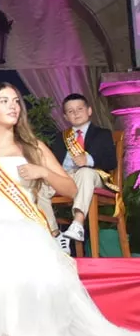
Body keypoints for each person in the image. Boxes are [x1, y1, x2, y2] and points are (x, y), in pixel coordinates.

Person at [0, 83, 140, 336]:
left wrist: (42, 170)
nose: (13, 106)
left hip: (22, 224)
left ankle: (16, 332)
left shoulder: (33, 148)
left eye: (16, 101)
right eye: (4, 101)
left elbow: (71, 189)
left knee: (19, 250)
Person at [45, 94, 118, 245]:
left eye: (80, 109)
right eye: (70, 111)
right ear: (65, 116)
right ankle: (55, 234)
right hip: (65, 178)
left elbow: (111, 162)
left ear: (89, 110)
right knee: (37, 185)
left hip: (94, 176)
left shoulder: (102, 134)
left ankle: (77, 224)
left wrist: (89, 160)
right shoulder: (60, 138)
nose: (76, 113)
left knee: (85, 172)